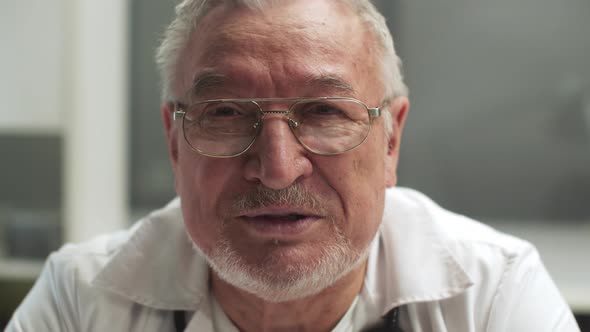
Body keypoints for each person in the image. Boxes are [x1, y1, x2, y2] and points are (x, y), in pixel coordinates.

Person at [7, 0, 580, 331]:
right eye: (227, 112)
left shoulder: (490, 298)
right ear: (175, 140)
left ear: (390, 141)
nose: (278, 168)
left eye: (325, 111)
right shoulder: (83, 301)